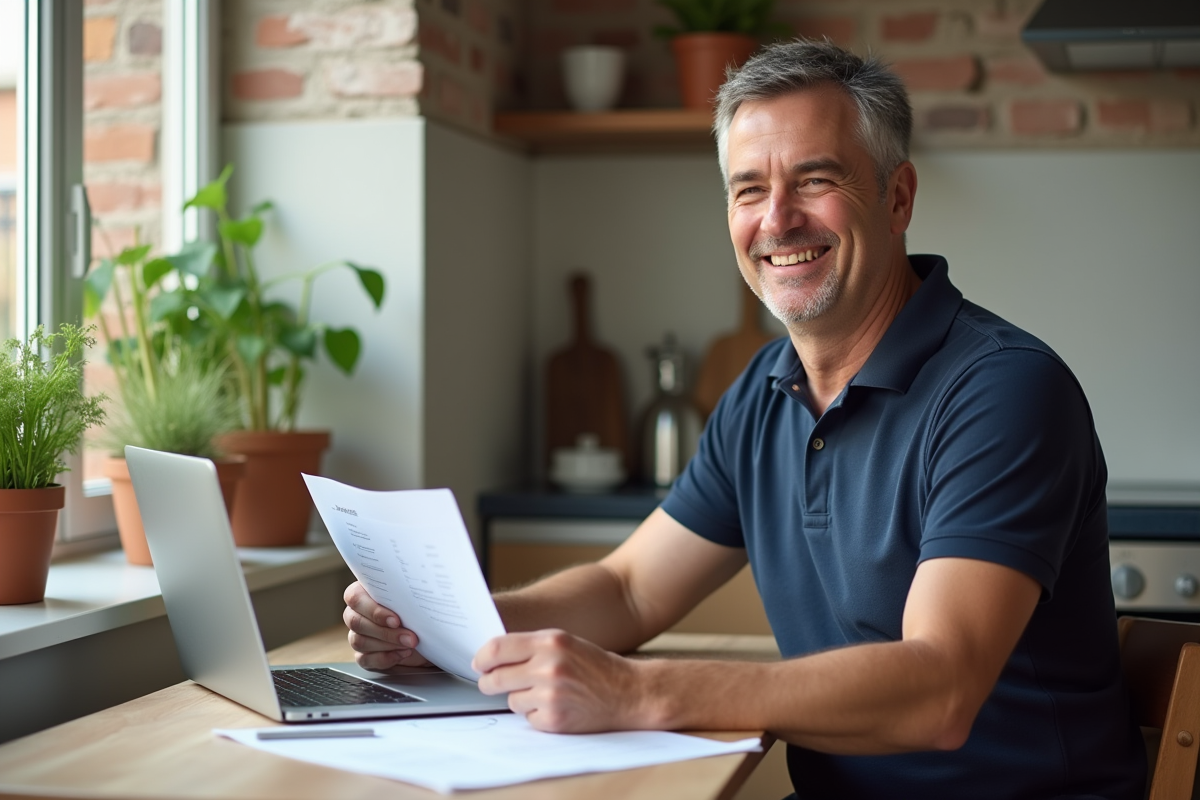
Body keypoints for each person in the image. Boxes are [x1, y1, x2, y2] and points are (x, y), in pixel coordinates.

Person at [343, 40, 1146, 799]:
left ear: (896, 198)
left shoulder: (1002, 392)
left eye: (816, 179)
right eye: (749, 189)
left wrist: (642, 691)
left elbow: (938, 690)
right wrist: (445, 630)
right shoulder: (765, 389)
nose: (778, 219)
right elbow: (627, 591)